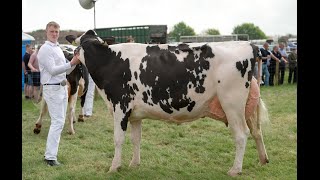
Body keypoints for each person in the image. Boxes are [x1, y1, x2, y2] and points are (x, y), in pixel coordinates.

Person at [37, 21, 81, 166]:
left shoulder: (57, 48)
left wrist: (74, 62)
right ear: (46, 32)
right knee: (57, 122)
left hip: (62, 87)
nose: (55, 34)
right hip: (52, 88)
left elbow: (65, 71)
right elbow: (53, 70)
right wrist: (71, 62)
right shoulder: (45, 49)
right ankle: (50, 157)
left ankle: (51, 155)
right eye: (52, 31)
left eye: (56, 32)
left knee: (59, 122)